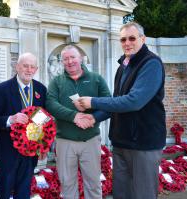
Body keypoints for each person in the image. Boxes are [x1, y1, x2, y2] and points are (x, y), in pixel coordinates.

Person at [78, 22, 166, 199]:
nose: (127, 43)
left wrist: (93, 102)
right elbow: (117, 102)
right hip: (121, 142)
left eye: (132, 38)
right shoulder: (123, 66)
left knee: (142, 195)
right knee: (121, 194)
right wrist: (95, 118)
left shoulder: (151, 64)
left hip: (143, 145)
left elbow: (133, 102)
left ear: (143, 39)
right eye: (123, 39)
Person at [46, 45, 111, 199]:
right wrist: (74, 116)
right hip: (65, 141)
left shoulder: (96, 79)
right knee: (67, 184)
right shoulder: (57, 81)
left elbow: (109, 105)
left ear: (80, 58)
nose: (69, 61)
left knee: (93, 183)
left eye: (72, 57)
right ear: (62, 62)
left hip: (90, 140)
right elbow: (51, 104)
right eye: (65, 59)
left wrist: (93, 118)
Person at [0, 53, 47, 199]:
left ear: (36, 69)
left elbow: (44, 120)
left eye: (33, 67)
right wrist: (10, 119)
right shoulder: (1, 89)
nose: (29, 70)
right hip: (8, 150)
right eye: (25, 66)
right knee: (5, 190)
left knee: (24, 190)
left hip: (30, 152)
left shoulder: (41, 90)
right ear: (17, 67)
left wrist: (43, 145)